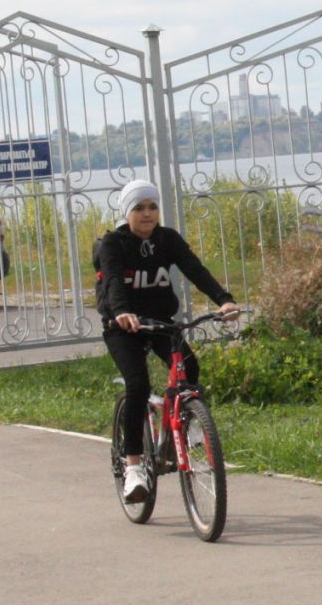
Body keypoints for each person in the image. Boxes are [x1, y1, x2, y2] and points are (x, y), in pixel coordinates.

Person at [95, 179, 241, 505]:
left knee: (189, 365)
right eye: (139, 208)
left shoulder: (167, 239)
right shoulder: (113, 244)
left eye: (152, 207)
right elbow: (114, 280)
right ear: (126, 212)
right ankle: (133, 466)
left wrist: (224, 300)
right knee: (137, 385)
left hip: (160, 323)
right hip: (123, 326)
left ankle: (187, 422)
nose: (147, 214)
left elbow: (195, 269)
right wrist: (121, 312)